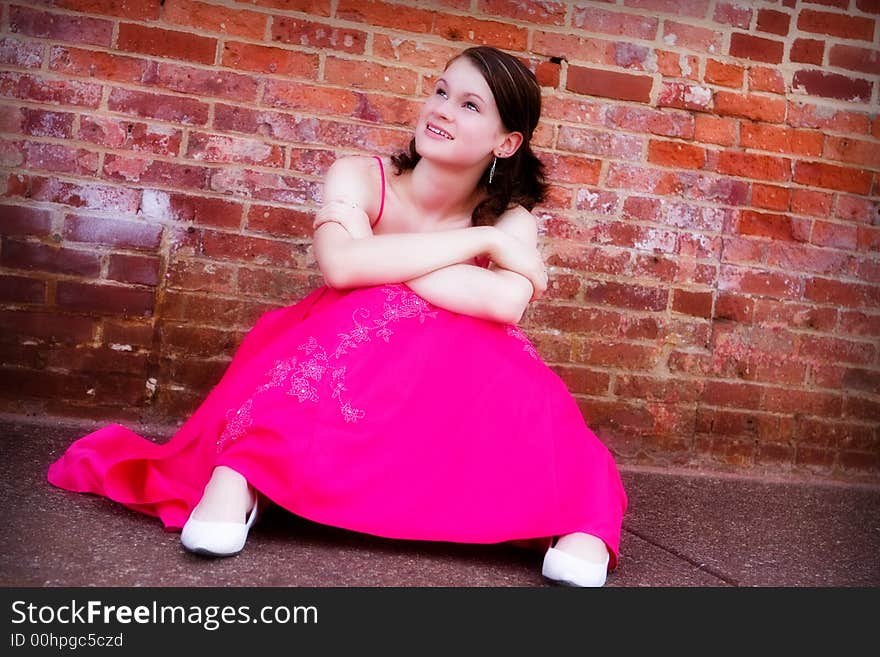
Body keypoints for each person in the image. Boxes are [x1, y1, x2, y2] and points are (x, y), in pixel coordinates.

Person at [47, 46, 627, 587]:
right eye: (441, 92)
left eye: (470, 105)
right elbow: (342, 270)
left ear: (505, 144)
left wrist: (382, 257)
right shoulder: (361, 175)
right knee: (373, 304)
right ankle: (243, 477)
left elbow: (504, 303)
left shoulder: (512, 219)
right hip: (347, 362)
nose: (440, 110)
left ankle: (578, 518)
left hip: (448, 391)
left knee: (516, 376)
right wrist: (477, 245)